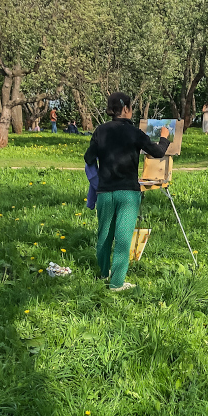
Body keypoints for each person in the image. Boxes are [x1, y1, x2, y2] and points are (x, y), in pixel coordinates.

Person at [84, 91, 170, 293]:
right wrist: (164, 138)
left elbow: (89, 158)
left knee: (104, 234)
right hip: (128, 193)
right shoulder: (134, 133)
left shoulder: (100, 130)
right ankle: (116, 283)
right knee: (123, 236)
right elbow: (157, 152)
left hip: (105, 192)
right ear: (126, 109)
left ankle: (103, 273)